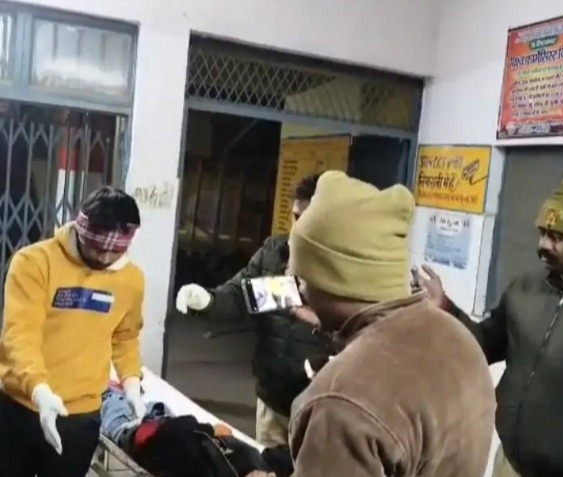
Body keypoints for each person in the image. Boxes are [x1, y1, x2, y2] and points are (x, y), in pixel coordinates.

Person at [417, 175, 563, 477]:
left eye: (559, 237)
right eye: (542, 232)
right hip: (509, 464)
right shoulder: (524, 288)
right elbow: (485, 344)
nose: (543, 245)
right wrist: (447, 309)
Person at [277, 171, 495, 476]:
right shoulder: (458, 338)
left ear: (333, 277)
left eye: (302, 275)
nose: (294, 282)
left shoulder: (340, 402)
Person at [175, 174, 335, 447]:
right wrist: (208, 301)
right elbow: (241, 296)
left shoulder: (345, 272)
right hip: (272, 401)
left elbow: (363, 332)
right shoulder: (274, 253)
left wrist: (321, 324)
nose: (298, 228)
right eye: (296, 217)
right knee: (267, 464)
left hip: (320, 411)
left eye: (309, 221)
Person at [0, 186, 147, 477]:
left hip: (79, 416)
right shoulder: (34, 263)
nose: (104, 258)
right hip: (18, 406)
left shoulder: (132, 280)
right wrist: (39, 391)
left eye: (114, 252)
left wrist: (131, 383)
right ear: (81, 229)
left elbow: (124, 336)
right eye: (97, 248)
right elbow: (21, 334)